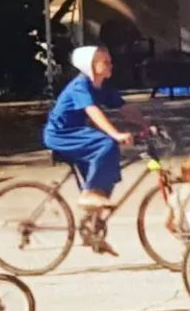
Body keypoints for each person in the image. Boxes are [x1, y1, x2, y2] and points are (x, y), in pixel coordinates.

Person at [43, 45, 147, 210]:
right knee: (105, 144)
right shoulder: (80, 86)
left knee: (108, 169)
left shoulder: (102, 87)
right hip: (61, 135)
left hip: (78, 133)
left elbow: (124, 107)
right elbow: (92, 111)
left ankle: (93, 224)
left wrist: (146, 126)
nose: (110, 65)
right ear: (90, 66)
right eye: (105, 62)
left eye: (110, 61)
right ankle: (88, 195)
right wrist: (115, 134)